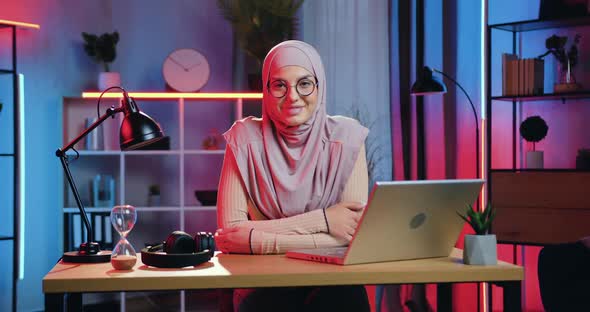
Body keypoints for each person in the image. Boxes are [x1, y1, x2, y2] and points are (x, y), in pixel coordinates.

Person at [214, 40, 370, 311]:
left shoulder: (347, 137)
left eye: (305, 83)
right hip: (262, 284)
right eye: (279, 85)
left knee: (341, 297)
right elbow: (230, 236)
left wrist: (252, 237)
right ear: (266, 89)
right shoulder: (244, 140)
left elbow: (351, 237)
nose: (293, 96)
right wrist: (323, 220)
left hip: (334, 284)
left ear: (319, 86)